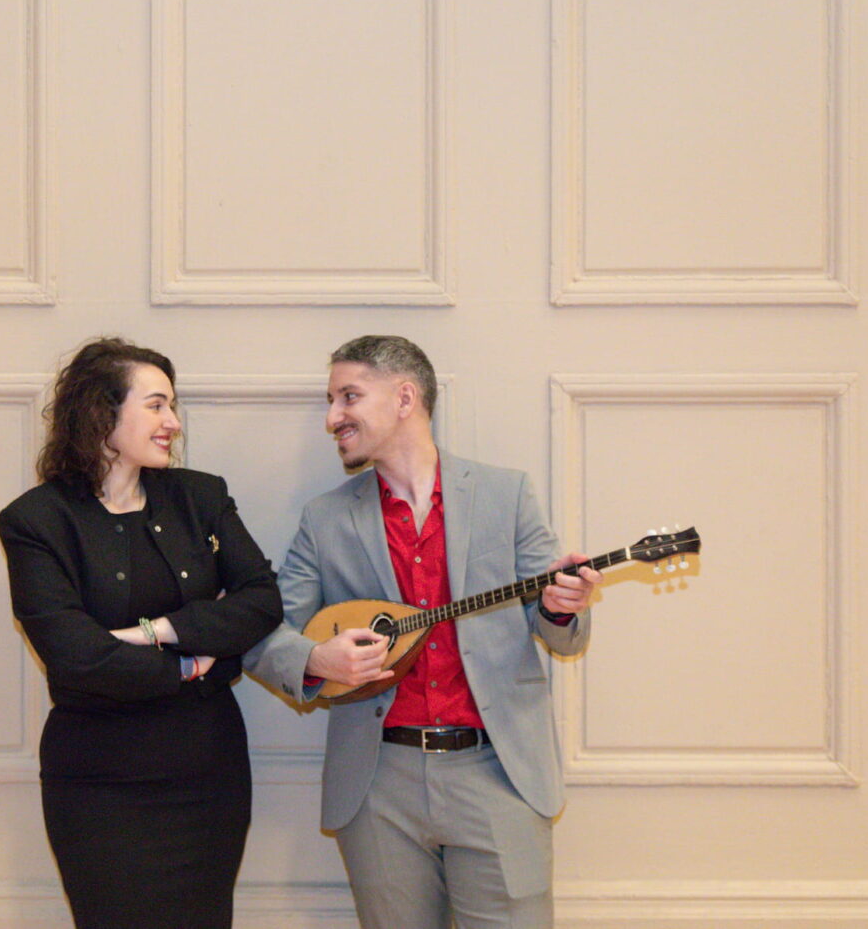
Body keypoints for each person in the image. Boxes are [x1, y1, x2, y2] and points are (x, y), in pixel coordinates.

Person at [245, 335, 601, 928]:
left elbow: (561, 631)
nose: (333, 417)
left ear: (404, 397)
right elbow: (266, 634)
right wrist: (317, 660)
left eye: (348, 397)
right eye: (332, 400)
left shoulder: (504, 495)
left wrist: (564, 605)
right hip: (379, 783)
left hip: (499, 775)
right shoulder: (326, 518)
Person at [0, 337, 282, 929]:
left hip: (207, 772)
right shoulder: (35, 521)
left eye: (171, 407)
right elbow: (74, 658)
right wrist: (192, 663)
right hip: (99, 780)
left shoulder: (202, 497)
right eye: (156, 405)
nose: (172, 423)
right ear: (103, 412)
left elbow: (261, 600)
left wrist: (158, 629)